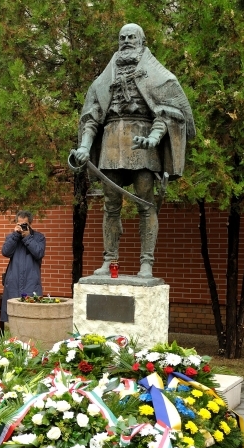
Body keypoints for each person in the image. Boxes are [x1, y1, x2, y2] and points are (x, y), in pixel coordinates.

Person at [72, 23, 195, 278]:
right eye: (122, 37)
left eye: (132, 37)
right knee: (110, 205)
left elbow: (169, 113)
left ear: (142, 41)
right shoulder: (104, 79)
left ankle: (147, 262)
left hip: (143, 144)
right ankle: (109, 261)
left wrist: (154, 137)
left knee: (146, 204)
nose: (126, 40)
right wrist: (84, 147)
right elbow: (92, 117)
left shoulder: (158, 77)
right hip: (111, 142)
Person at [1, 211, 45, 323]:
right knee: (13, 318)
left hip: (30, 283)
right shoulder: (12, 237)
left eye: (24, 224)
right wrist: (16, 235)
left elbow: (39, 253)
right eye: (19, 224)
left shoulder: (39, 238)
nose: (22, 227)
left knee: (31, 317)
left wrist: (27, 237)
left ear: (30, 223)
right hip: (14, 283)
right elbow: (5, 252)